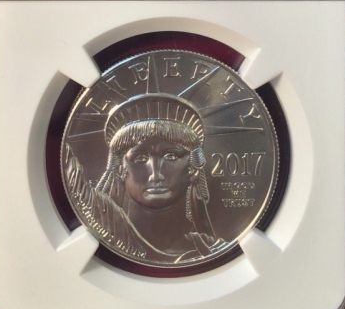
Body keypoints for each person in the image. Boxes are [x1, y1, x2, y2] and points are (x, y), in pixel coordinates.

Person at [63, 94, 225, 264]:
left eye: (171, 156)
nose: (156, 175)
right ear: (120, 170)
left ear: (192, 169)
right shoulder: (107, 232)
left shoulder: (213, 248)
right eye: (140, 158)